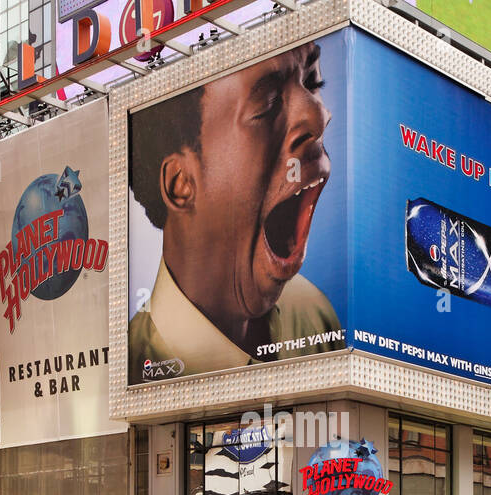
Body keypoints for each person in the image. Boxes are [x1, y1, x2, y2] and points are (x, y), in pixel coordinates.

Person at [127, 41, 341, 380]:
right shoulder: (134, 370)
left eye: (313, 83)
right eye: (268, 105)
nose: (319, 115)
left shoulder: (313, 313)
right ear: (180, 184)